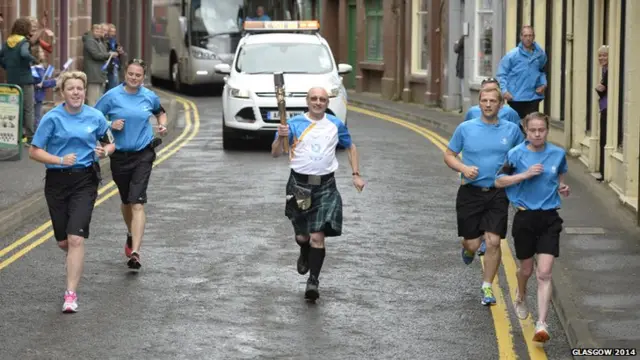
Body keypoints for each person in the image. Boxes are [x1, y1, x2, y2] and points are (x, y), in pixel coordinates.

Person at [28, 71, 115, 313]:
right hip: (56, 181)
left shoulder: (96, 116)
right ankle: (73, 260)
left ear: (85, 91)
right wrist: (59, 159)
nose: (76, 92)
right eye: (71, 88)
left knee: (76, 238)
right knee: (64, 241)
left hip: (85, 180)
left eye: (80, 88)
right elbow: (34, 151)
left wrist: (105, 152)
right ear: (62, 93)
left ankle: (70, 294)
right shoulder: (52, 118)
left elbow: (110, 142)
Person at [271, 87, 365, 301]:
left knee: (317, 236)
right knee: (303, 236)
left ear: (327, 103)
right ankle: (304, 250)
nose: (318, 102)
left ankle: (313, 280)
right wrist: (280, 138)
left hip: (325, 186)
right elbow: (276, 153)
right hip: (299, 185)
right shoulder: (293, 124)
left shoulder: (335, 125)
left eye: (322, 99)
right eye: (314, 98)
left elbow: (351, 147)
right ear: (307, 101)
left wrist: (356, 174)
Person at [444, 87, 524, 306]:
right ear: (479, 104)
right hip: (470, 192)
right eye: (484, 100)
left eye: (493, 101)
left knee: (493, 241)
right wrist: (463, 167)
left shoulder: (512, 130)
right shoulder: (465, 128)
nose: (488, 105)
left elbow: (521, 157)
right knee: (472, 243)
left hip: (498, 194)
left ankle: (487, 287)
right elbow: (449, 155)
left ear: (500, 105)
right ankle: (467, 248)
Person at [494, 112, 570, 342]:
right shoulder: (515, 154)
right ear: (526, 131)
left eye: (542, 130)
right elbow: (498, 181)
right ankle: (520, 295)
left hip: (549, 219)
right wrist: (524, 175)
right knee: (526, 270)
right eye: (533, 130)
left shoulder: (557, 154)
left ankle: (542, 324)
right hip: (524, 219)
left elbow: (560, 177)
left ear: (547, 130)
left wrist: (563, 187)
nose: (537, 134)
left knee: (544, 273)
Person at [94, 59, 167, 270]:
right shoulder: (112, 96)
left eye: (138, 75)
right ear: (125, 74)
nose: (134, 78)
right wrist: (110, 124)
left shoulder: (148, 96)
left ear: (143, 77)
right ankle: (130, 233)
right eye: (131, 74)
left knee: (138, 202)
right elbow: (93, 117)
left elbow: (160, 112)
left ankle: (135, 251)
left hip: (143, 154)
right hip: (119, 155)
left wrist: (162, 124)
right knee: (126, 201)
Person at [496, 26, 547, 120]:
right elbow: (501, 74)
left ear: (534, 37)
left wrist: (543, 84)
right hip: (515, 97)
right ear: (521, 37)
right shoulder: (512, 55)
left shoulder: (540, 54)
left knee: (532, 124)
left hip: (533, 96)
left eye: (530, 35)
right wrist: (504, 91)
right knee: (517, 125)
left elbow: (542, 70)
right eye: (525, 35)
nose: (528, 38)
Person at [0, 17, 38, 143]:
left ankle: (17, 135)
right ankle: (30, 137)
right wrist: (33, 59)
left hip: (11, 80)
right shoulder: (24, 42)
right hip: (25, 80)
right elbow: (24, 54)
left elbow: (1, 57)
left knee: (15, 108)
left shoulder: (7, 42)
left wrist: (6, 66)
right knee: (28, 108)